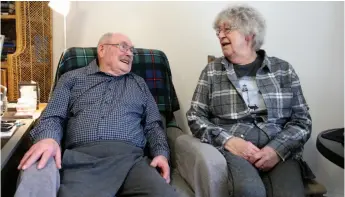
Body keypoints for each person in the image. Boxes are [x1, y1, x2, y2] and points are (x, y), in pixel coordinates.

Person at [15, 32, 177, 197]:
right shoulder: (71, 78)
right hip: (83, 161)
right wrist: (48, 138)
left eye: (131, 50)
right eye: (123, 47)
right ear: (102, 49)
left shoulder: (139, 83)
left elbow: (154, 125)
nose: (129, 53)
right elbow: (53, 115)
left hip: (133, 162)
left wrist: (161, 154)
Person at [186, 4, 314, 197]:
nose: (220, 35)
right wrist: (229, 141)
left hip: (279, 149)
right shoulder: (212, 71)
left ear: (249, 33)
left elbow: (302, 121)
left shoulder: (283, 70)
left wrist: (276, 150)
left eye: (227, 29)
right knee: (248, 191)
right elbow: (195, 117)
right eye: (218, 31)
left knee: (289, 193)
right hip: (234, 150)